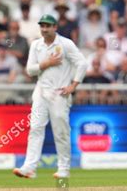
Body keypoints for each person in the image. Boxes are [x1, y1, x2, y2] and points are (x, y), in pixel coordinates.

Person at [13, 14, 88, 179]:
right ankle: (29, 167)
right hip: (41, 92)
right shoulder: (36, 45)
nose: (45, 29)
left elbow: (82, 63)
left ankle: (64, 169)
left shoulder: (66, 44)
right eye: (42, 26)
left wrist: (73, 85)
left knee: (60, 132)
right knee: (35, 128)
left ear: (55, 27)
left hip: (59, 94)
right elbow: (30, 70)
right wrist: (46, 63)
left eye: (48, 26)